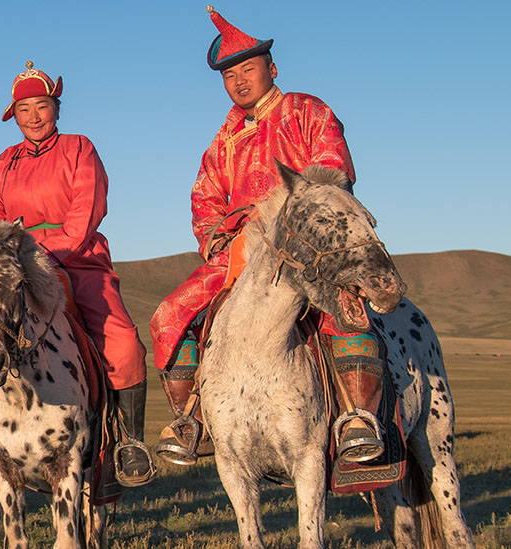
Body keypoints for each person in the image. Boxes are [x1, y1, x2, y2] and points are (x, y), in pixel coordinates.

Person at [148, 6, 384, 465]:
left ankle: (358, 416)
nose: (238, 81)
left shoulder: (308, 112)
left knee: (345, 311)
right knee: (169, 314)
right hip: (239, 253)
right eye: (229, 75)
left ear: (271, 69)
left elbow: (333, 175)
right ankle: (190, 420)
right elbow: (205, 196)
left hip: (307, 248)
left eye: (247, 70)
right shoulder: (224, 138)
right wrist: (214, 236)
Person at [0, 62, 156, 486]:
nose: (34, 117)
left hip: (77, 258)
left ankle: (129, 441)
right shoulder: (4, 162)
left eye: (42, 106)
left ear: (56, 108)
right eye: (24, 110)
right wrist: (9, 254)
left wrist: (44, 251)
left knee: (123, 340)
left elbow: (86, 209)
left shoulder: (79, 149)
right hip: (14, 264)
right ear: (13, 116)